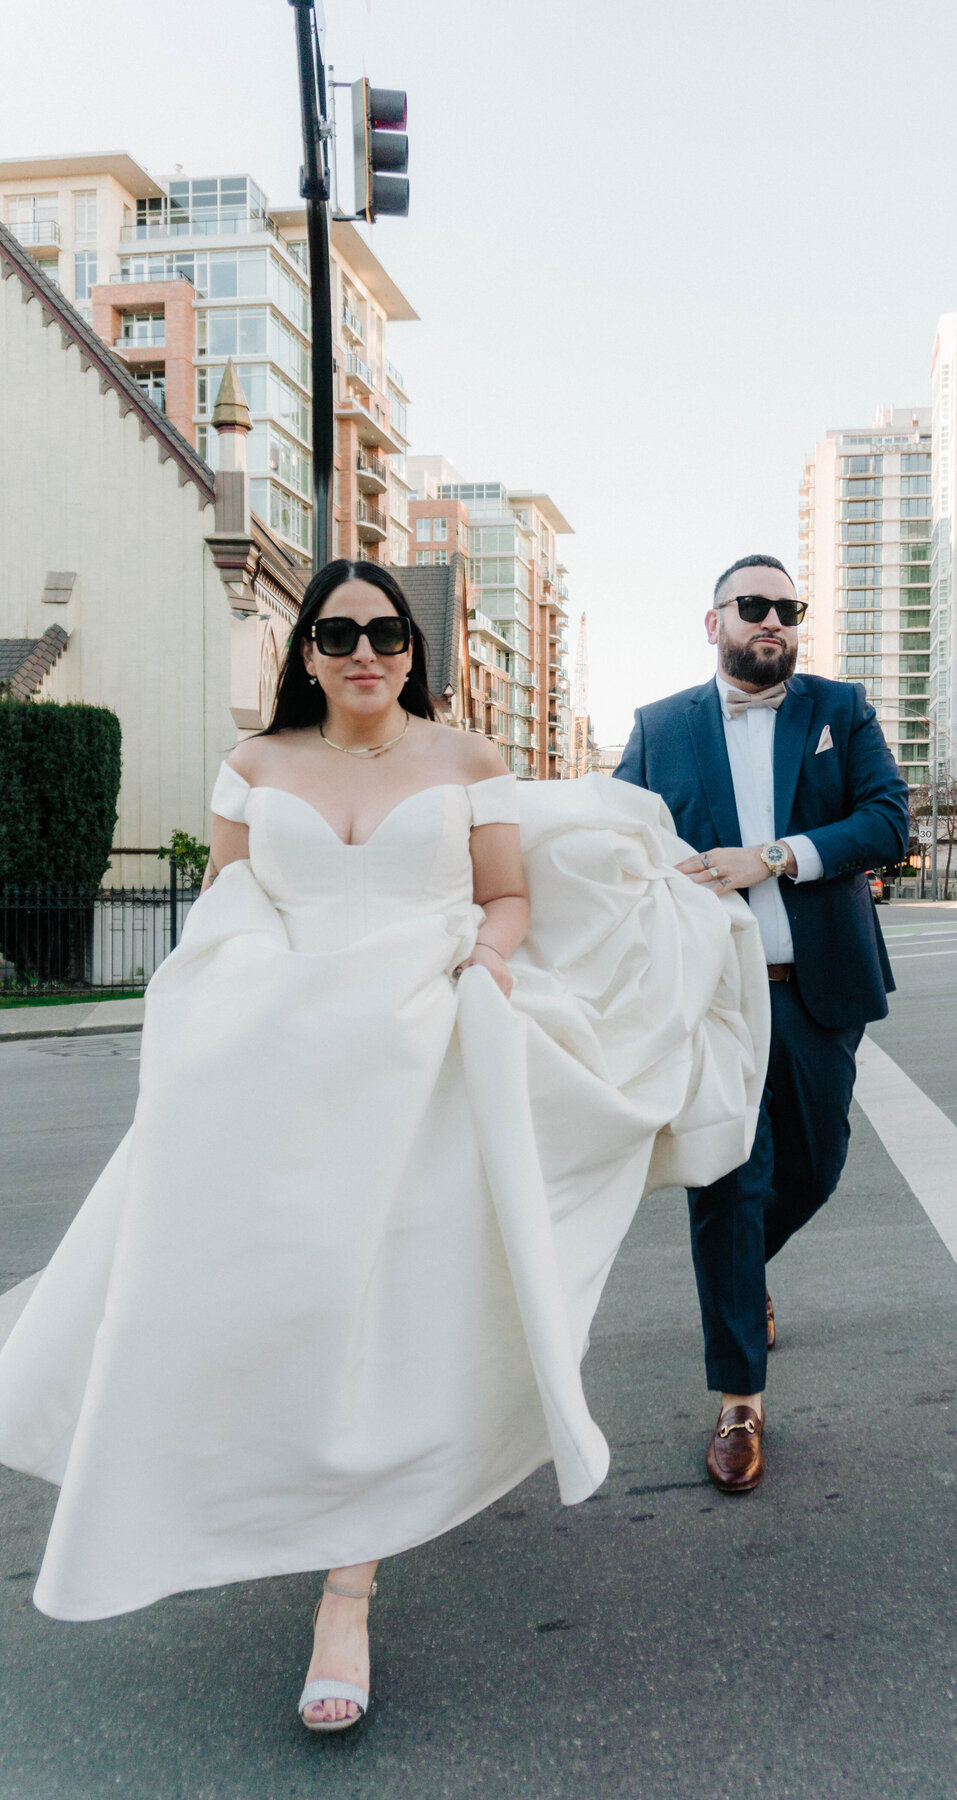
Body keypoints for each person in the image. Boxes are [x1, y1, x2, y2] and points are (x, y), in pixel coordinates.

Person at [0, 561, 768, 1733]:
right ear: (306, 651)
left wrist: (485, 960)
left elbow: (503, 897)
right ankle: (193, 1497)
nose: (367, 650)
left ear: (415, 651)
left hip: (424, 1050)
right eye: (340, 631)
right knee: (222, 1298)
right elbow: (229, 901)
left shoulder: (467, 762)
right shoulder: (255, 767)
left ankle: (345, 1592)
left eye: (388, 633)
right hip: (279, 1056)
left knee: (388, 1313)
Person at [614, 554, 909, 1495]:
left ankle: (746, 1280)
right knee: (728, 1189)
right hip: (713, 1001)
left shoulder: (840, 710)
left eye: (788, 608)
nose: (773, 621)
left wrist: (773, 857)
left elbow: (887, 823)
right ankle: (740, 1399)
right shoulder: (660, 730)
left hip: (816, 989)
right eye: (754, 606)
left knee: (815, 1168)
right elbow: (616, 842)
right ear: (715, 623)